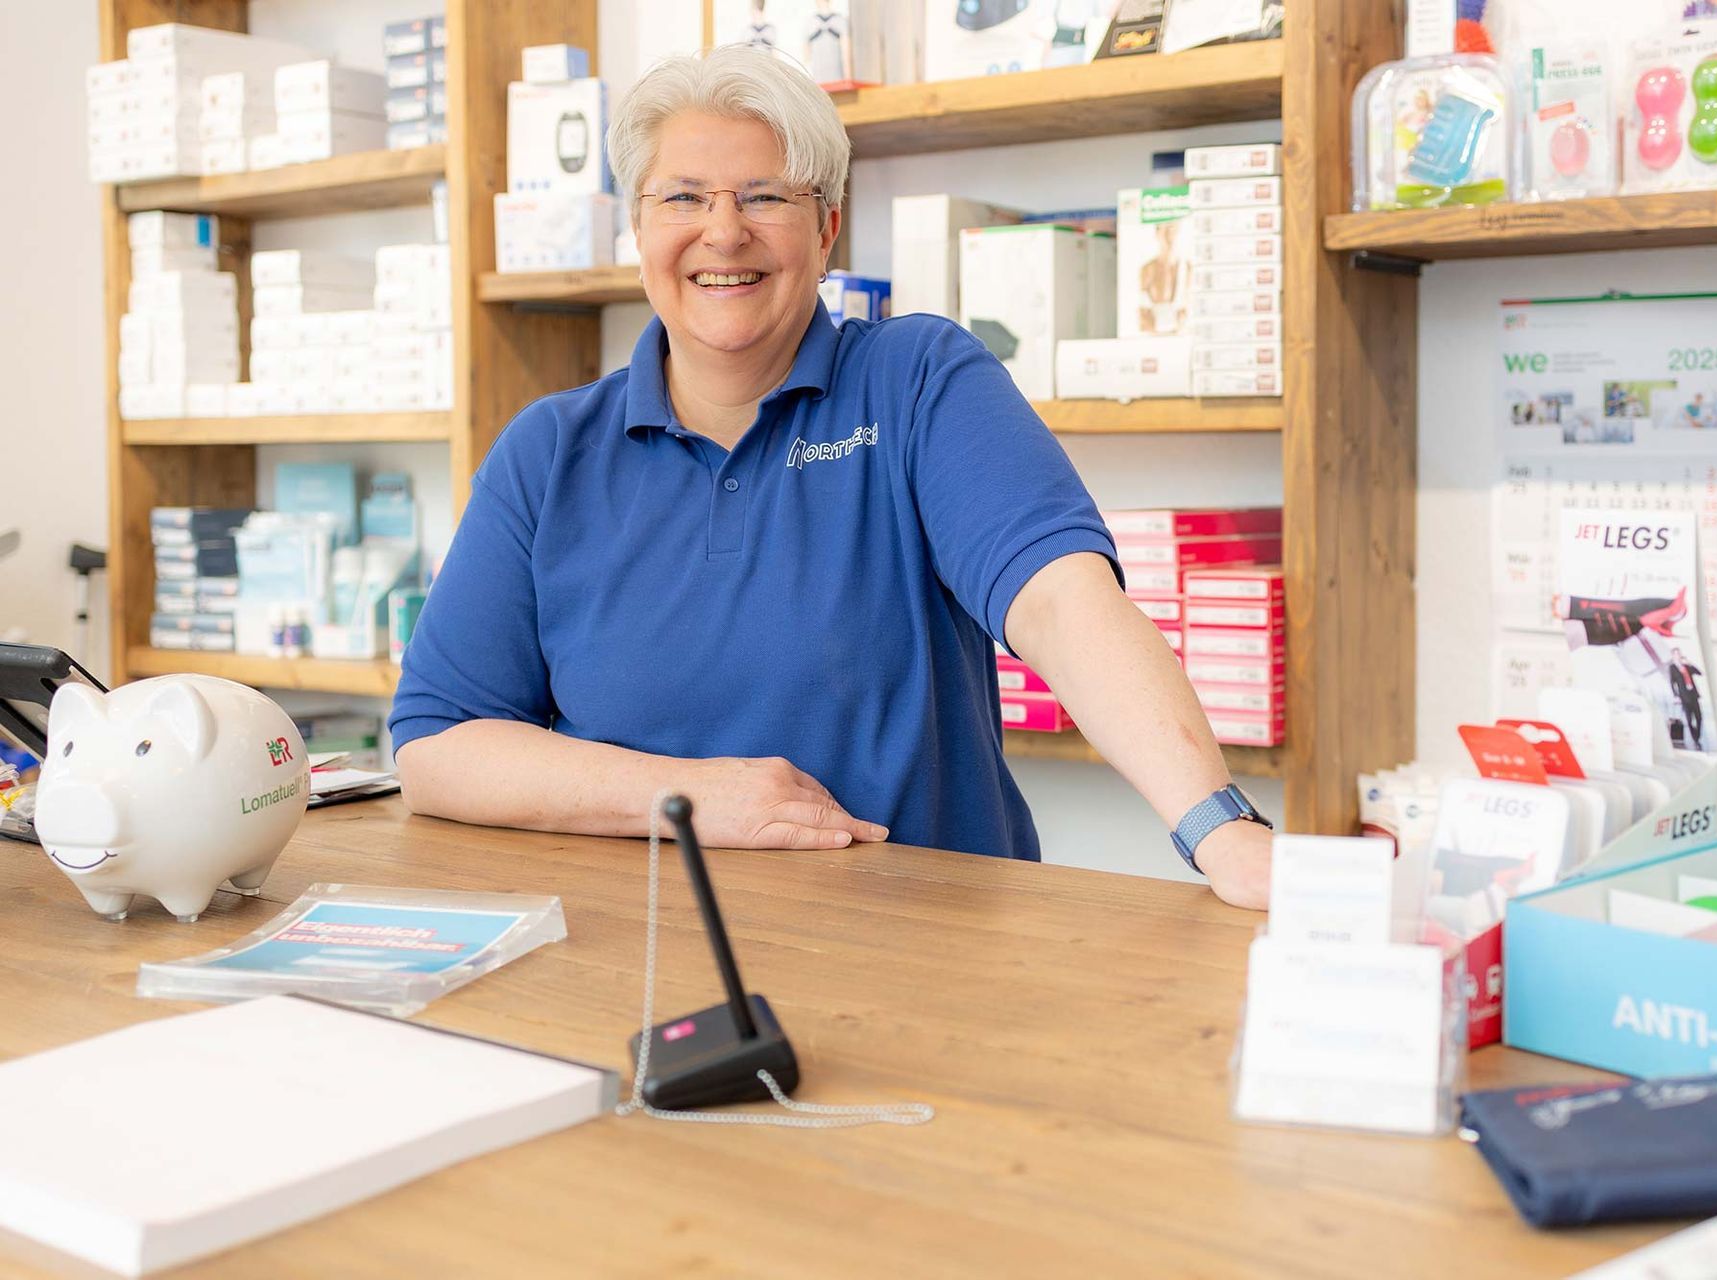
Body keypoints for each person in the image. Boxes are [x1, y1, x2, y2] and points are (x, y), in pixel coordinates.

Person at [390, 45, 1275, 909]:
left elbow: (1062, 604)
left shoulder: (917, 380)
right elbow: (437, 747)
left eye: (766, 196)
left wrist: (1219, 828)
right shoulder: (548, 452)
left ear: (826, 227)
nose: (723, 230)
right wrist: (689, 801)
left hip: (921, 955)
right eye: (685, 197)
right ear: (639, 226)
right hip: (641, 954)